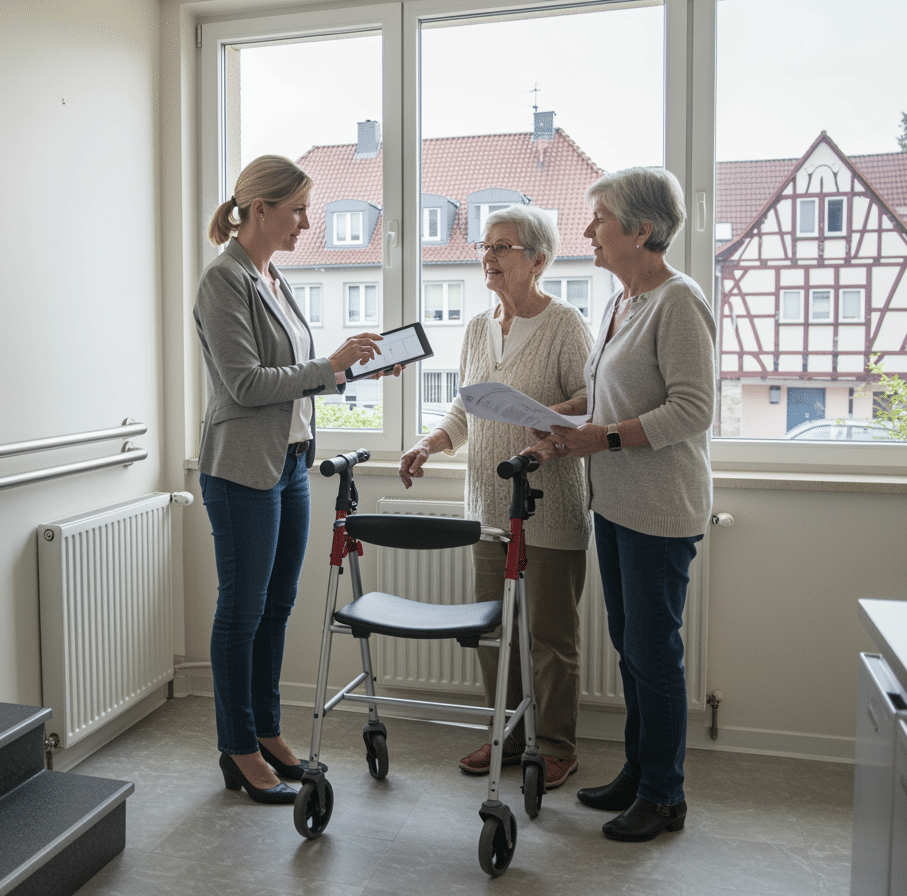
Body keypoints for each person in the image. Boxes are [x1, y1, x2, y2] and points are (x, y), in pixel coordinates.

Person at [194, 155, 391, 804]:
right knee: (242, 610)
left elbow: (295, 376)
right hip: (242, 470)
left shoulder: (271, 278)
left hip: (289, 464)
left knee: (277, 606)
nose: (308, 222)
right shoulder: (223, 281)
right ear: (259, 208)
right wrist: (329, 368)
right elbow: (246, 384)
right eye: (299, 209)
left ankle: (269, 733)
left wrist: (352, 370)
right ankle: (239, 749)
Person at [527, 166, 715, 842]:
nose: (587, 231)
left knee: (653, 652)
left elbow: (692, 411)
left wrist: (597, 436)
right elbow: (603, 399)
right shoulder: (620, 304)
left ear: (642, 229)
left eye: (599, 217)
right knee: (631, 647)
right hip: (616, 503)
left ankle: (666, 797)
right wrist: (555, 418)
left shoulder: (677, 301)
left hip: (661, 510)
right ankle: (640, 772)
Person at [398, 204, 592, 791]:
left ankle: (556, 745)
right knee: (493, 627)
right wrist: (429, 444)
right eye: (484, 247)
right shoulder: (479, 326)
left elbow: (591, 400)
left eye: (501, 247)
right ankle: (505, 734)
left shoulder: (566, 325)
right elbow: (467, 405)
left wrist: (543, 417)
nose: (488, 257)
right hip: (487, 502)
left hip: (550, 501)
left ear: (538, 260)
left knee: (551, 636)